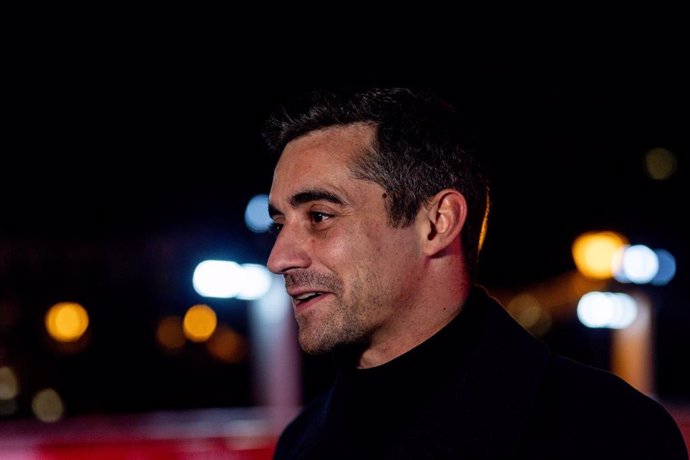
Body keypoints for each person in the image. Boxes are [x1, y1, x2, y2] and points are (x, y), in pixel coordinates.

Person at [261, 86, 688, 459]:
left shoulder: (608, 434)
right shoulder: (301, 441)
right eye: (280, 225)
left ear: (437, 223)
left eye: (319, 215)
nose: (279, 258)